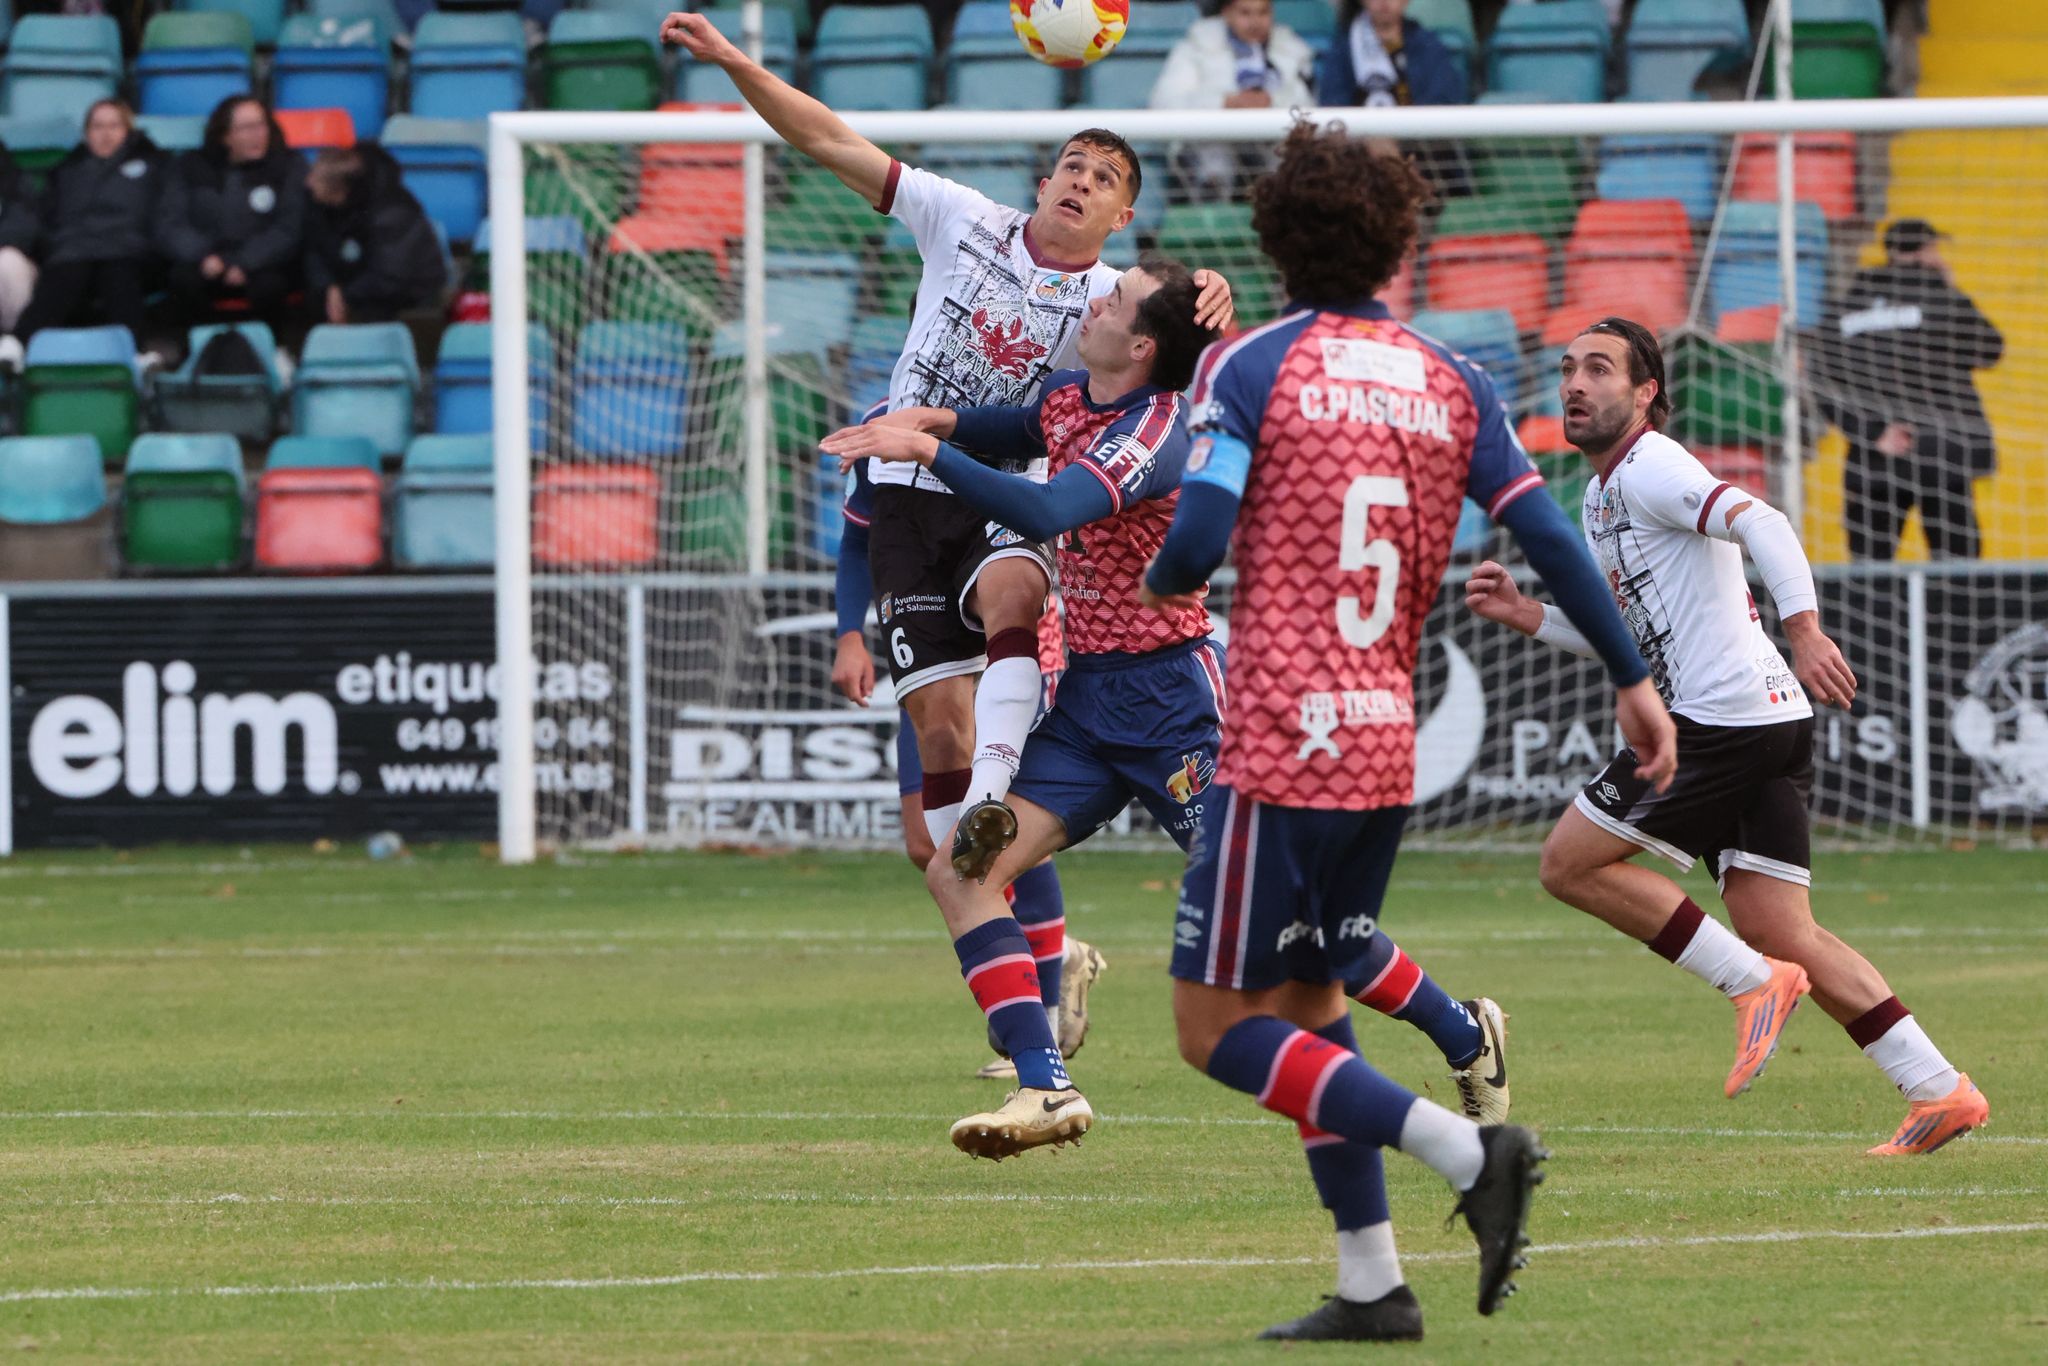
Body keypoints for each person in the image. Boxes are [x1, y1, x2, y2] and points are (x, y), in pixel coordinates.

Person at [1139, 122, 1674, 1342]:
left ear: (1272, 237)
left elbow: (1197, 537)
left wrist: (1170, 580)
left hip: (1278, 736)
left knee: (1212, 1028)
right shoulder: (1452, 378)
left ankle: (1465, 1149)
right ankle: (1372, 1281)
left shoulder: (1251, 367)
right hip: (1385, 743)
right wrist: (1631, 678)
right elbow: (1545, 539)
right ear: (1398, 241)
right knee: (1315, 1002)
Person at [828, 254, 1513, 1157]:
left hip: (1177, 711)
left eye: (1112, 296)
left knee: (1300, 926)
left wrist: (928, 451)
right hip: (1086, 708)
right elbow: (1011, 420)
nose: (1096, 296)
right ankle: (1045, 1088)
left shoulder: (1156, 431)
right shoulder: (1074, 397)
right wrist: (936, 416)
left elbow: (1050, 508)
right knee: (959, 869)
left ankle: (1465, 1032)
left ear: (1141, 344)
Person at [662, 11, 1233, 898]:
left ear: (1123, 219)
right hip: (908, 493)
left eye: (1107, 178)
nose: (1084, 181)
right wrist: (737, 61)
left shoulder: (1116, 304)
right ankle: (1027, 927)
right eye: (1074, 166)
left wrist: (1212, 293)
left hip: (1013, 501)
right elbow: (828, 139)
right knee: (936, 775)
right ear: (1044, 183)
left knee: (1013, 601)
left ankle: (1000, 797)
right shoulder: (960, 219)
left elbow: (1197, 357)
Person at [1466, 315, 1989, 1157]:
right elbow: (1640, 629)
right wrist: (1532, 617)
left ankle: (1751, 984)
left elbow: (1768, 522)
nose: (1574, 384)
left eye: (1599, 370)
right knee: (1782, 926)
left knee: (1570, 863)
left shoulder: (1652, 464)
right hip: (1769, 718)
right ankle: (1940, 1088)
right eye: (1567, 368)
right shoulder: (1604, 491)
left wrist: (1807, 628)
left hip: (1723, 718)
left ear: (1645, 395)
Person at [833, 432, 1104, 1080]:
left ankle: (1035, 1015)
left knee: (993, 824)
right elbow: (856, 536)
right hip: (929, 649)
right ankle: (1055, 955)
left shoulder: (1016, 414)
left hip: (1002, 646)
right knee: (931, 847)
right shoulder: (884, 425)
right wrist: (849, 632)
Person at [1810, 217, 2004, 561]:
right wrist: (1951, 289)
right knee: (1957, 569)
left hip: (1875, 459)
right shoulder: (1940, 297)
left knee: (1870, 572)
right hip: (1942, 449)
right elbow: (1990, 349)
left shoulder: (1847, 304)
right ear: (1927, 251)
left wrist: (1873, 433)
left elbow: (1819, 381)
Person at [15, 100, 167, 342]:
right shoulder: (65, 170)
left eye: (114, 126)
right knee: (62, 275)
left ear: (128, 130)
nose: (106, 134)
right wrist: (54, 247)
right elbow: (46, 218)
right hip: (74, 251)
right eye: (97, 127)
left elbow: (165, 215)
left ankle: (135, 353)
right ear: (86, 133)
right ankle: (20, 347)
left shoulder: (155, 165)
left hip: (130, 252)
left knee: (119, 276)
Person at [159, 96, 308, 332]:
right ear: (224, 136)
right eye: (247, 128)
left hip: (264, 262)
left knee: (272, 285)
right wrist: (202, 255)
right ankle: (200, 348)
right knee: (182, 279)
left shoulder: (289, 166)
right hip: (207, 259)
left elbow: (289, 228)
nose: (259, 134)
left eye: (262, 125)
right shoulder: (189, 166)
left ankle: (275, 350)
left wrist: (245, 262)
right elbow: (170, 224)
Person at [1149, 0, 1317, 200]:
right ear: (1227, 13)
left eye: (1262, 13)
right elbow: (1165, 102)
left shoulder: (1291, 51)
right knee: (1217, 158)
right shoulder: (1197, 47)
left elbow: (1309, 109)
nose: (1255, 22)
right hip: (1209, 147)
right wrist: (1223, 103)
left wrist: (1272, 102)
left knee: (1285, 157)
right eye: (1245, 13)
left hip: (1270, 143)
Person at [302, 145, 449, 325]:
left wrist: (345, 296)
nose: (308, 183)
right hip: (355, 288)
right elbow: (314, 250)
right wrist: (329, 287)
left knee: (370, 313)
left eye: (316, 179)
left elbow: (390, 277)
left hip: (409, 295)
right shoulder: (321, 208)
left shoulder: (392, 213)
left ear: (338, 188)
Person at [1318, 0, 1468, 107]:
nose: (1384, 2)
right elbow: (1333, 103)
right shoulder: (1343, 48)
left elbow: (1443, 100)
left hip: (1418, 143)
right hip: (1359, 145)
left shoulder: (1428, 45)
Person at [0, 143, 41, 348]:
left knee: (8, 261)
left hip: (12, 260)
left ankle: (15, 344)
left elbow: (22, 231)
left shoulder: (15, 182)